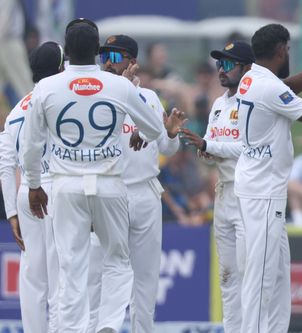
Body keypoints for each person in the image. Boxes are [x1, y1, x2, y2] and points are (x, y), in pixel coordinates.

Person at [22, 19, 163, 333]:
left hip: (65, 185)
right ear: (98, 52)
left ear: (68, 51)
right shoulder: (120, 86)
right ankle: (108, 325)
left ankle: (73, 330)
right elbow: (155, 128)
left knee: (71, 265)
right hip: (111, 184)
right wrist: (139, 130)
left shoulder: (46, 88)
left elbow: (30, 146)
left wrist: (33, 186)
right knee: (118, 260)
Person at [232, 22, 302, 332]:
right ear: (281, 50)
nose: (289, 53)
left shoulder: (251, 78)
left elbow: (287, 88)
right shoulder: (267, 86)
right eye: (289, 49)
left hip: (258, 186)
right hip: (263, 192)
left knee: (278, 274)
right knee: (261, 275)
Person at [86, 34, 184, 333]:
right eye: (104, 57)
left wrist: (171, 133)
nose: (107, 63)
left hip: (144, 193)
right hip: (108, 192)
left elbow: (167, 150)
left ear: (132, 61)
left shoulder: (151, 99)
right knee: (98, 278)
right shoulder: (96, 96)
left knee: (145, 280)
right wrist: (125, 89)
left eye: (114, 57)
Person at [180, 40, 254, 333]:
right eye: (219, 65)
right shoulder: (219, 104)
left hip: (250, 193)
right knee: (227, 275)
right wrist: (204, 151)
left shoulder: (254, 102)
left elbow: (251, 149)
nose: (221, 71)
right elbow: (212, 151)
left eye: (228, 64)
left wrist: (210, 145)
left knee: (250, 272)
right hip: (224, 192)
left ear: (247, 68)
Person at [0, 41, 63, 333]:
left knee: (32, 276)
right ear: (60, 67)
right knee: (60, 274)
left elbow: (5, 164)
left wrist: (12, 211)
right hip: (54, 190)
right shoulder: (59, 100)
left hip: (26, 192)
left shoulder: (15, 110)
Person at [0, 0, 33, 101]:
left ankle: (36, 114)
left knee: (25, 88)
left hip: (10, 43)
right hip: (4, 43)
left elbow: (3, 21)